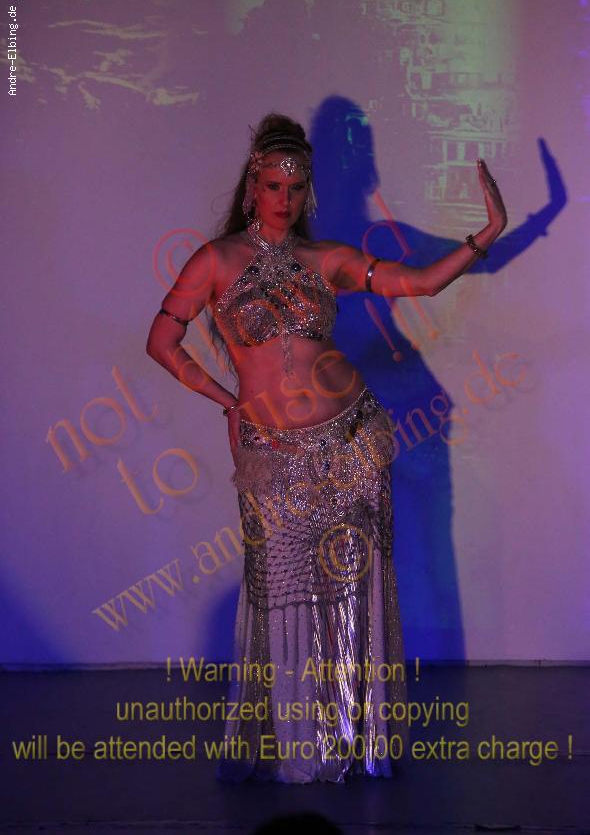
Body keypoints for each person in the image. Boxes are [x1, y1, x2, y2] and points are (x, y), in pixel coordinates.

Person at [146, 113, 507, 784]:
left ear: (307, 190)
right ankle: (298, 745)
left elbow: (422, 282)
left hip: (352, 438)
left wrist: (485, 235)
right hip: (272, 448)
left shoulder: (326, 260)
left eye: (295, 187)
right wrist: (227, 401)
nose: (283, 198)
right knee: (282, 590)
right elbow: (161, 343)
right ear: (252, 185)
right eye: (273, 185)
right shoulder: (216, 260)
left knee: (349, 588)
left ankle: (354, 738)